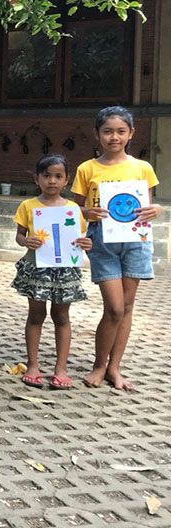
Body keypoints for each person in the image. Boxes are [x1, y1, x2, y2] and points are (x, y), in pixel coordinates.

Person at [72, 106, 160, 392]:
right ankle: (99, 364)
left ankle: (114, 368)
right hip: (102, 241)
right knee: (114, 307)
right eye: (108, 131)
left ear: (131, 134)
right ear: (97, 134)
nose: (114, 137)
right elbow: (74, 209)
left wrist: (155, 209)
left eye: (121, 131)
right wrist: (88, 213)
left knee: (127, 307)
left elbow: (147, 206)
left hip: (135, 240)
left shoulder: (142, 168)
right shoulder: (88, 168)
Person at [12, 155, 92, 390]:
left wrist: (86, 244)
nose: (52, 181)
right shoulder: (28, 206)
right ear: (37, 179)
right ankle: (33, 364)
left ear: (66, 180)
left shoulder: (73, 209)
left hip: (64, 270)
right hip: (36, 268)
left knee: (61, 317)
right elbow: (19, 235)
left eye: (58, 176)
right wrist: (26, 242)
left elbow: (80, 237)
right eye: (46, 176)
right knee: (36, 315)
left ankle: (61, 369)